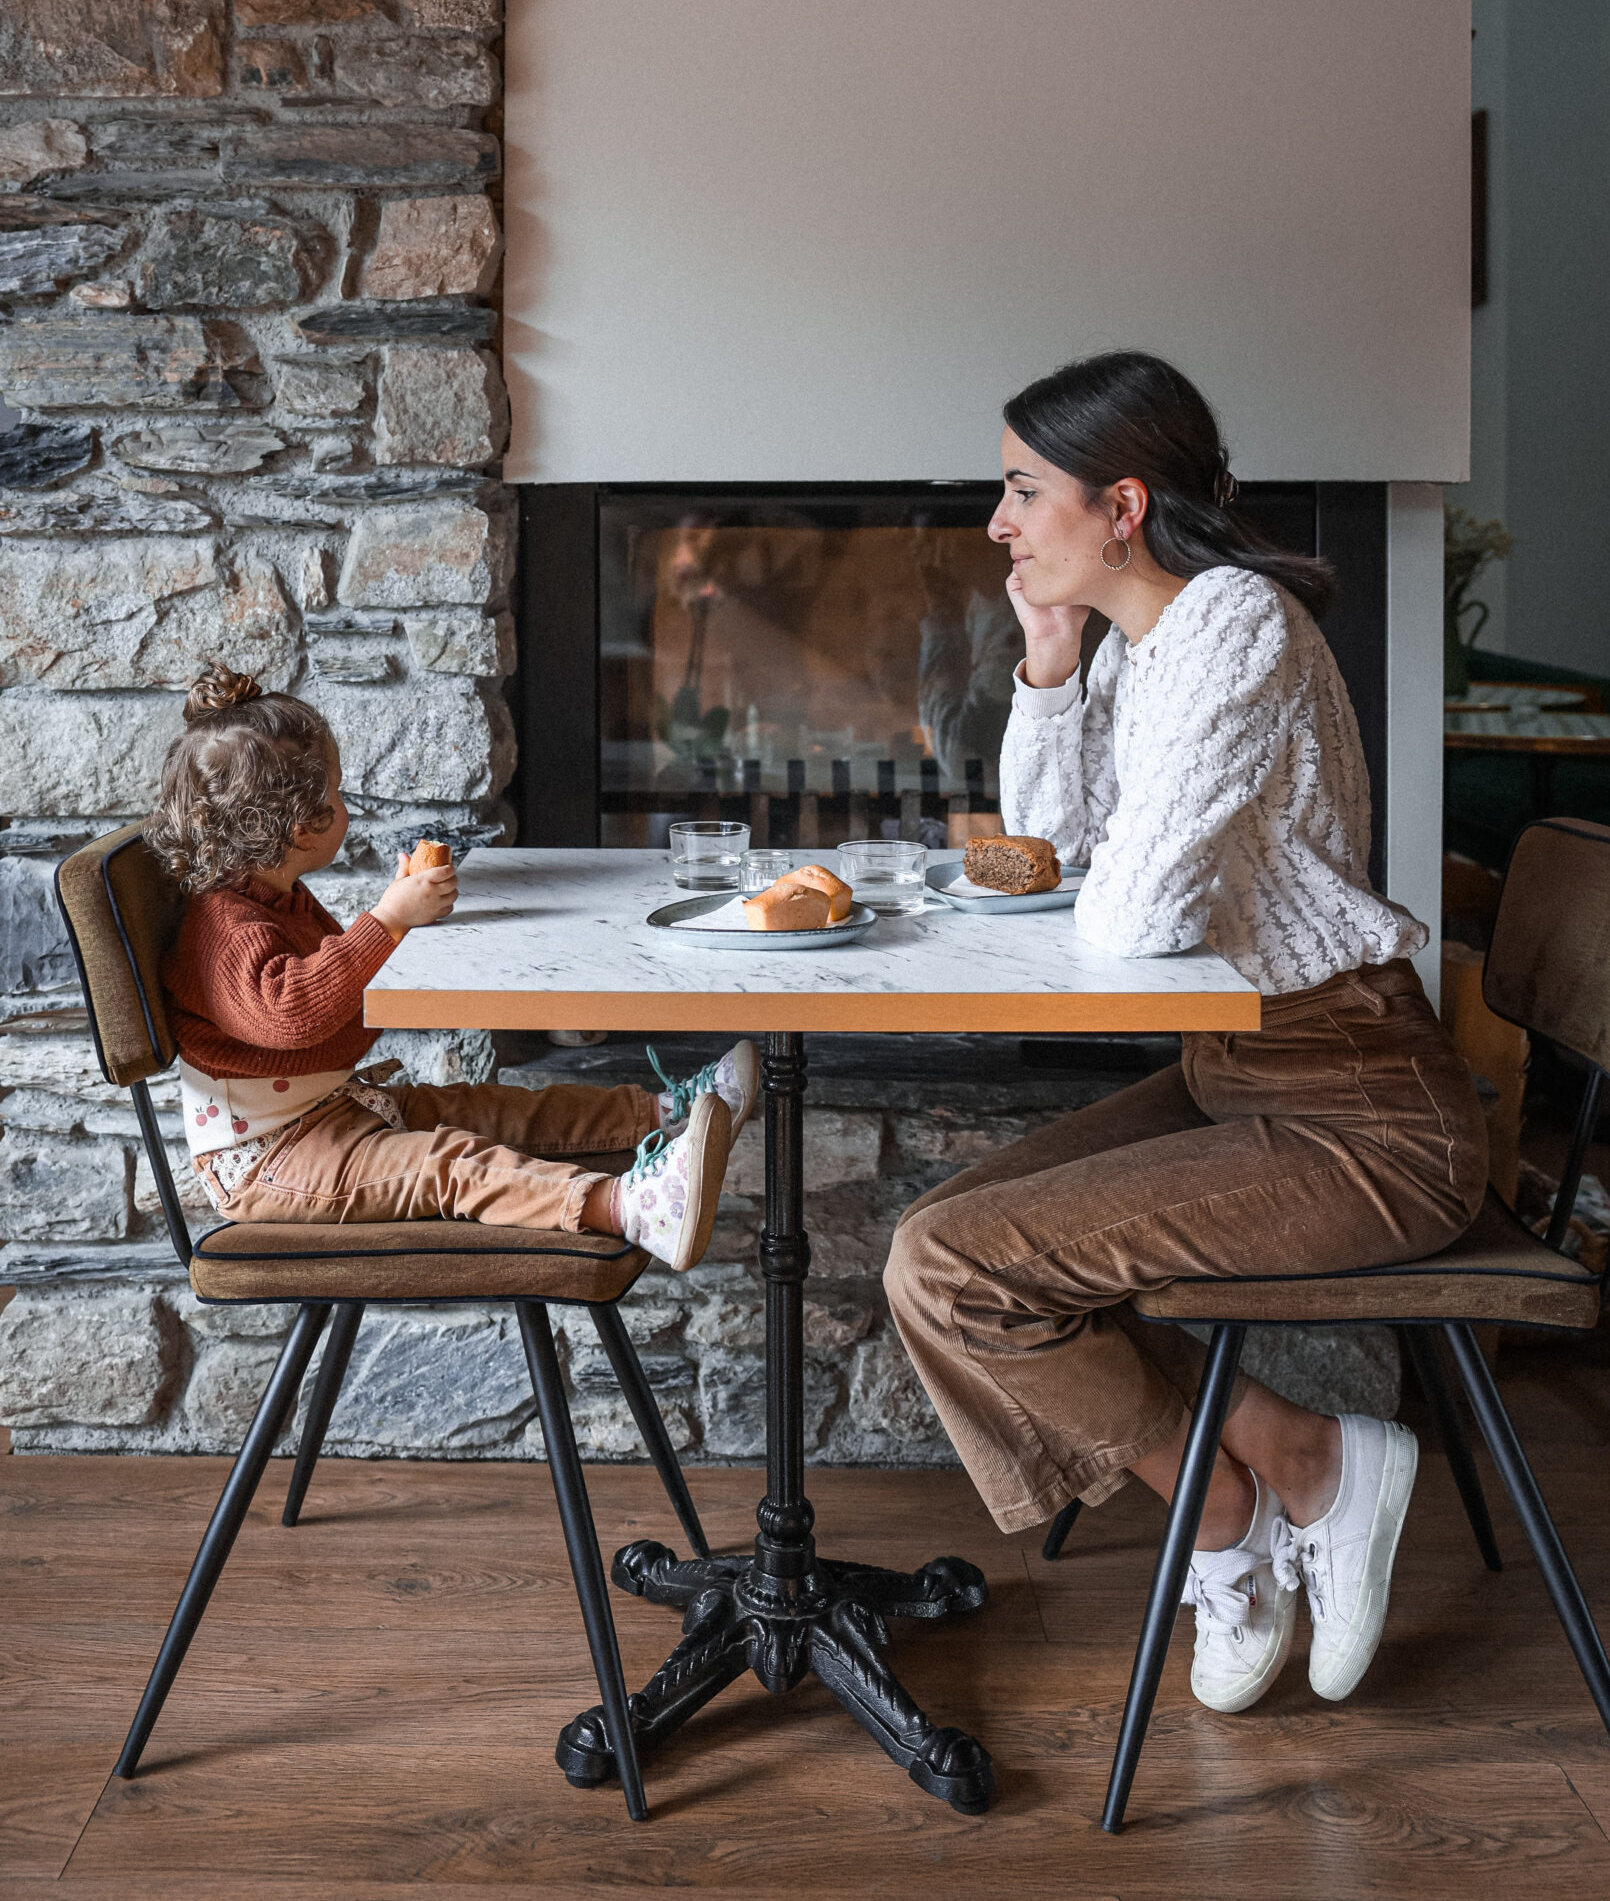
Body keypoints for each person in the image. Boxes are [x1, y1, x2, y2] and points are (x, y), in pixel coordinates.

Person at [884, 352, 1487, 1716]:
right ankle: (1262, 1484)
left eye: (1019, 490)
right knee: (936, 1255)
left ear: (1120, 505)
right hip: (1242, 1077)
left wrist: (1096, 870)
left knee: (960, 1268)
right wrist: (1046, 670)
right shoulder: (1145, 648)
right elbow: (1041, 859)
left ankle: (1257, 1503)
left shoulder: (1229, 622)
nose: (996, 524)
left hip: (1362, 1117)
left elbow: (1137, 915)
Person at [149, 665, 756, 1272]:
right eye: (334, 796)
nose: (345, 807)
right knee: (451, 1163)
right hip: (270, 1159)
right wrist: (386, 921)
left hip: (329, 1111)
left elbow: (345, 991)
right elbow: (292, 1014)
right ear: (297, 828)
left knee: (486, 1108)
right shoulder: (225, 930)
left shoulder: (276, 898)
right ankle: (630, 1208)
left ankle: (662, 1113)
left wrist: (393, 914)